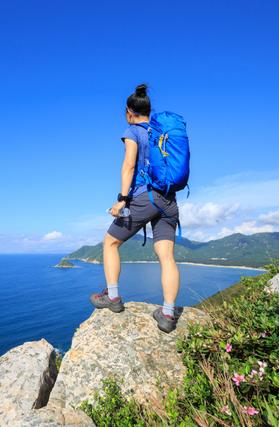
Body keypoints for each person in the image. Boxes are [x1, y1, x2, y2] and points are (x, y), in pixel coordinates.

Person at [89, 84, 181, 333]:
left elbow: (129, 166)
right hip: (169, 201)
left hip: (144, 198)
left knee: (110, 243)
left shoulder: (133, 131)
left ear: (129, 111)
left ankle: (113, 297)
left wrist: (122, 199)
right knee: (166, 256)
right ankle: (168, 314)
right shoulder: (162, 132)